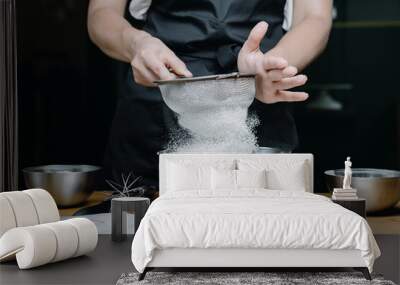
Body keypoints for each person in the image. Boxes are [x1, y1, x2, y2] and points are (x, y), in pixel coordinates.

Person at [87, 0, 332, 187]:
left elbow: (314, 16)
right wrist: (136, 45)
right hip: (158, 92)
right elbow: (101, 13)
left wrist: (275, 65)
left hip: (257, 91)